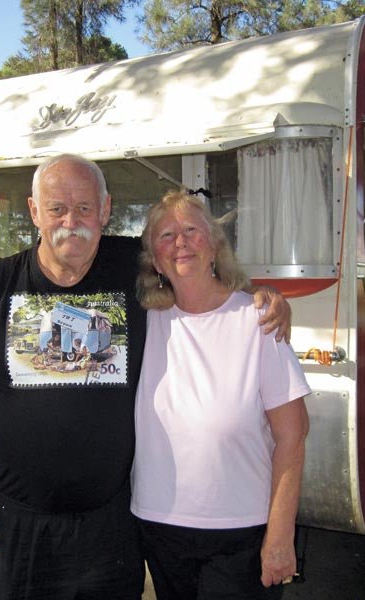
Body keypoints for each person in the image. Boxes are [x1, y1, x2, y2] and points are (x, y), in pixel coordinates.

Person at [0, 154, 291, 599]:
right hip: (19, 524)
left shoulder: (132, 268)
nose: (72, 220)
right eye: (57, 208)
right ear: (34, 211)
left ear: (105, 210)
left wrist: (261, 297)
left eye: (85, 207)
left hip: (110, 525)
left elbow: (195, 270)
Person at [132, 191, 311, 600]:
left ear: (214, 245)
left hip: (241, 533)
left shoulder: (258, 319)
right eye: (166, 236)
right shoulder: (144, 323)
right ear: (156, 262)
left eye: (192, 230)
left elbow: (293, 435)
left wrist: (280, 535)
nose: (180, 242)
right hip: (160, 527)